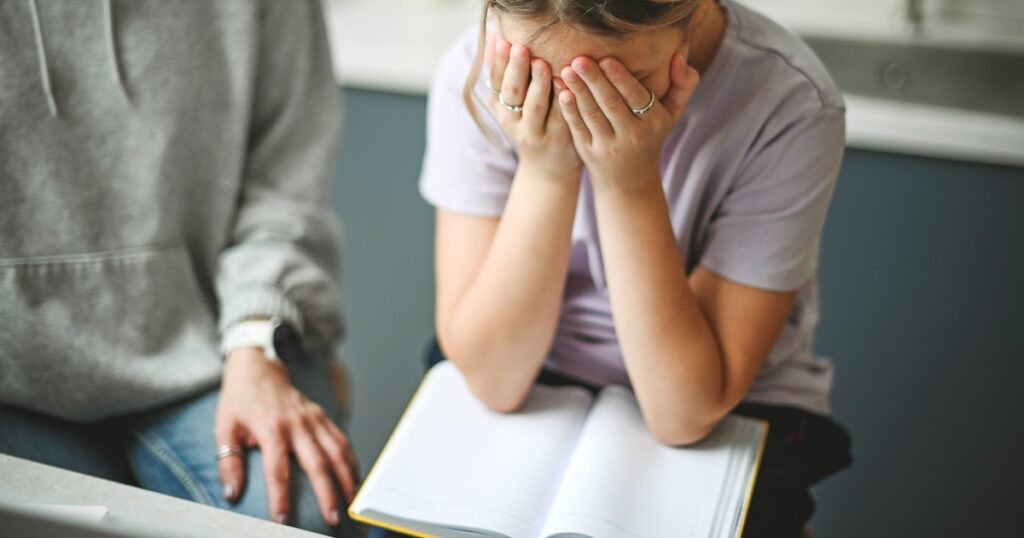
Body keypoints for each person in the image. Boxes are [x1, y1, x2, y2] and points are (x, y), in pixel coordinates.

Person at [419, 0, 852, 535]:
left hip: (727, 404)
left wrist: (628, 182)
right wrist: (546, 172)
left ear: (692, 14)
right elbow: (492, 379)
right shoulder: (482, 70)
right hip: (532, 370)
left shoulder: (789, 104)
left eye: (626, 86)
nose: (579, 114)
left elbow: (685, 413)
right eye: (543, 85)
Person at [0, 1, 357, 535]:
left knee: (297, 521)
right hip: (14, 379)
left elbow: (286, 187)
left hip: (215, 344)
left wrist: (255, 341)